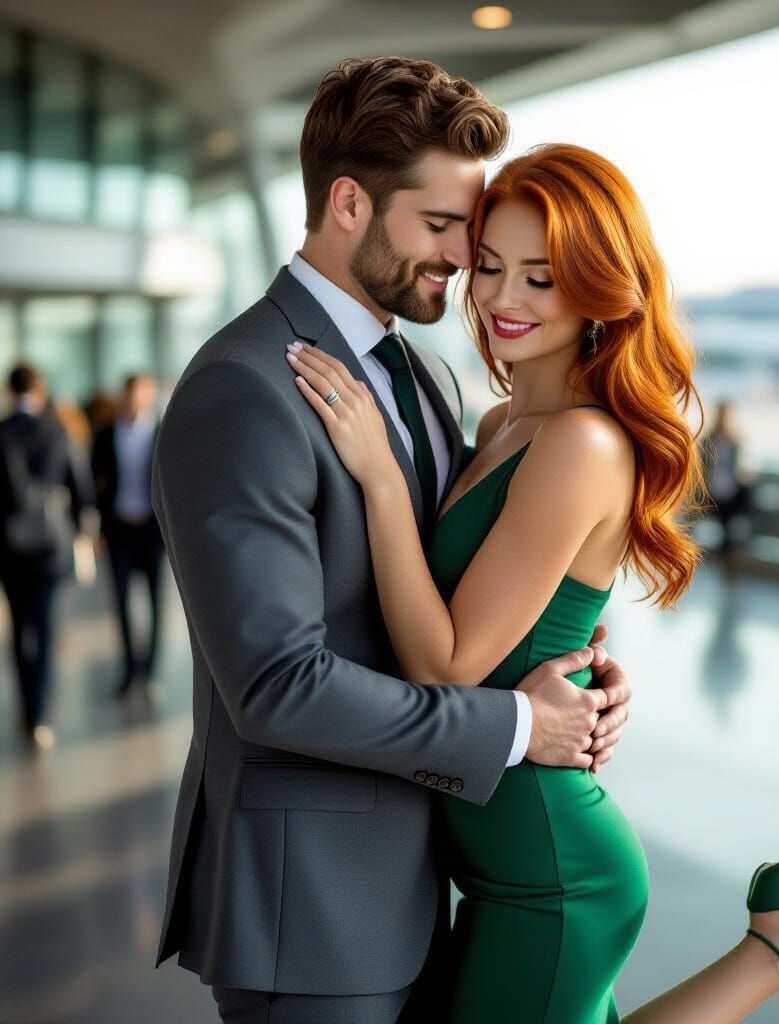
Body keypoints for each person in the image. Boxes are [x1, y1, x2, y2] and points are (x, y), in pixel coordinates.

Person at [292, 142, 779, 1023]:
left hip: (547, 868)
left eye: (542, 279)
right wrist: (591, 672)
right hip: (504, 847)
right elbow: (522, 606)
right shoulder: (507, 419)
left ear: (596, 287)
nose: (504, 299)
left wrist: (383, 483)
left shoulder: (581, 441)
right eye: (493, 267)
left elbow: (449, 669)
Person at [151, 58, 633, 1024]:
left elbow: (465, 585)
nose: (464, 258)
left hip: (425, 882)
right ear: (348, 204)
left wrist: (576, 673)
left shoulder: (427, 378)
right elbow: (277, 686)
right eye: (444, 226)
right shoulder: (242, 388)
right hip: (312, 904)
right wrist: (514, 728)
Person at [0, 364, 92, 750]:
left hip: (8, 544)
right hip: (51, 544)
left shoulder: (1, 433)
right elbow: (81, 489)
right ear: (39, 390)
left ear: (10, 389)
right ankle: (42, 715)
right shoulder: (57, 431)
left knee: (20, 629)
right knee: (47, 627)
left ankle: (25, 710)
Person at [91, 373, 165, 698]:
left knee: (154, 604)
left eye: (141, 393)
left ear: (149, 396)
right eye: (130, 393)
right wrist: (98, 528)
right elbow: (95, 482)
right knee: (121, 603)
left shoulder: (163, 431)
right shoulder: (107, 434)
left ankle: (149, 673)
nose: (135, 399)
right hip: (119, 529)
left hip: (153, 531)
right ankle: (128, 669)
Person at [700, 399, 750, 576]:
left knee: (730, 532)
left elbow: (738, 467)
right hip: (712, 491)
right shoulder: (708, 439)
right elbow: (702, 467)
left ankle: (729, 567)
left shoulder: (734, 440)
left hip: (729, 490)